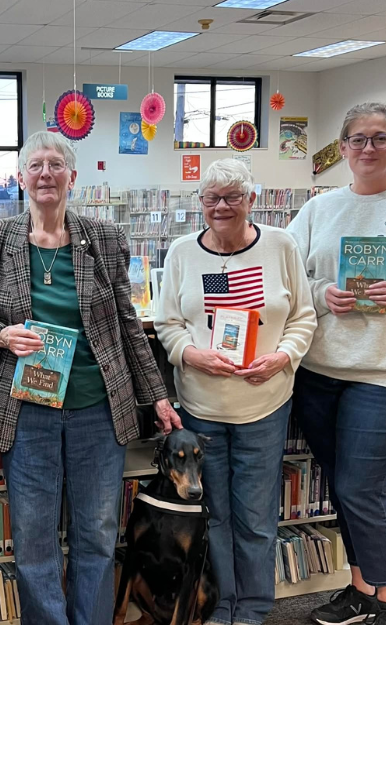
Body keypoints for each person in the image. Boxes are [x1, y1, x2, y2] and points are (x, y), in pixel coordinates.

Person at [0, 130, 180, 625]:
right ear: (21, 178)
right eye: (36, 165)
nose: (46, 173)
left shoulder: (103, 238)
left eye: (56, 164)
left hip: (97, 413)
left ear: (72, 177)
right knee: (36, 541)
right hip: (27, 413)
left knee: (98, 534)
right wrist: (1, 335)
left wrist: (158, 397)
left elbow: (127, 324)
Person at [156, 158, 317, 625]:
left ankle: (253, 609)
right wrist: (190, 353)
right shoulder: (183, 252)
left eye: (231, 197)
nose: (221, 206)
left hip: (264, 406)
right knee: (214, 515)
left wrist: (283, 356)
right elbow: (168, 323)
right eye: (211, 198)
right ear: (200, 203)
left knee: (256, 517)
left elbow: (304, 316)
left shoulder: (281, 246)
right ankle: (221, 604)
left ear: (251, 199)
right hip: (203, 408)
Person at [288, 102, 386, 625]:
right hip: (319, 372)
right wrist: (323, 293)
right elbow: (287, 278)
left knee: (360, 487)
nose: (369, 148)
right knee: (340, 485)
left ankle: (382, 599)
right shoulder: (318, 210)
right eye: (358, 139)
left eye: (380, 137)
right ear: (343, 148)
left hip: (377, 376)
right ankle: (360, 590)